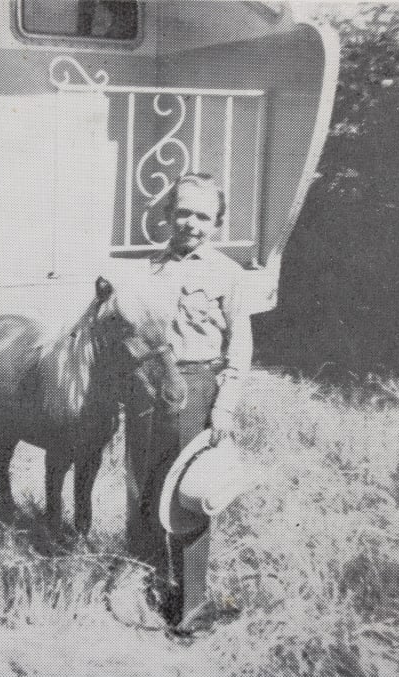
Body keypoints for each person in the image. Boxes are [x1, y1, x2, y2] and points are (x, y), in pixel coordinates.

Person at [124, 173, 253, 627]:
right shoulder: (146, 272)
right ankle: (142, 591)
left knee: (189, 494)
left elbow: (239, 346)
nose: (190, 223)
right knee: (142, 486)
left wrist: (225, 405)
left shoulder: (227, 275)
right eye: (182, 212)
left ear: (216, 223)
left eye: (202, 215)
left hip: (198, 389)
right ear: (166, 215)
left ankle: (191, 607)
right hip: (147, 390)